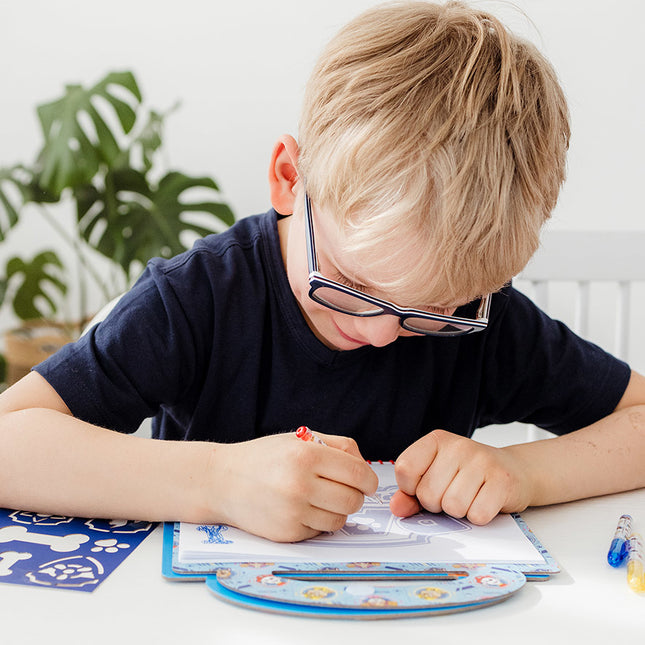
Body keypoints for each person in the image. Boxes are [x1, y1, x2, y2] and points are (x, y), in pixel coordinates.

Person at [1, 1, 644, 544]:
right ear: (290, 180)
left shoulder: (485, 324)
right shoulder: (199, 298)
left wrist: (524, 473)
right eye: (353, 284)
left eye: (433, 310)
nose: (383, 334)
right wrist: (216, 482)